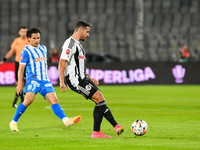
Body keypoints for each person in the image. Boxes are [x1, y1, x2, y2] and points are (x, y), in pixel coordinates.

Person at [58, 20, 124, 138]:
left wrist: (90, 77)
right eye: (87, 32)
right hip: (75, 81)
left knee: (99, 100)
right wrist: (61, 81)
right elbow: (62, 61)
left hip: (83, 78)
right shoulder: (70, 44)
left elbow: (79, 66)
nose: (88, 35)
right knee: (99, 98)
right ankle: (116, 126)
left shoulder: (78, 45)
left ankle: (96, 132)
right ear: (80, 30)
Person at [9, 27, 81, 132]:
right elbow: (21, 69)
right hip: (33, 80)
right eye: (34, 38)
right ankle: (13, 122)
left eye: (38, 38)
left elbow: (43, 64)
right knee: (28, 100)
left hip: (45, 81)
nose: (37, 40)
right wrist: (20, 84)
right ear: (29, 39)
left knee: (55, 100)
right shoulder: (26, 51)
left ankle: (66, 120)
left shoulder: (43, 48)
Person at [0, 26, 29, 108]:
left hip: (27, 63)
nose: (24, 33)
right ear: (19, 32)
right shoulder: (16, 41)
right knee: (18, 83)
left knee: (23, 82)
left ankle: (18, 102)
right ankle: (22, 101)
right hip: (18, 63)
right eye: (22, 31)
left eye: (25, 31)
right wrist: (4, 59)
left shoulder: (29, 40)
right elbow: (11, 51)